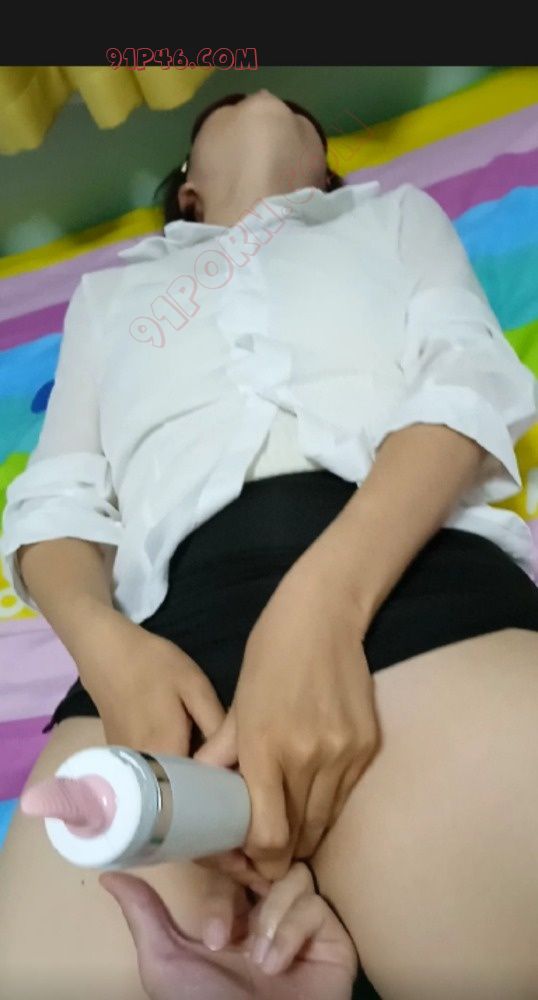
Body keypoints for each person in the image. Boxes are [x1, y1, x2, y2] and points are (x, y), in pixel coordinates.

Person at [1, 88, 538, 999]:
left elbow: (469, 378)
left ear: (326, 169)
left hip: (401, 568)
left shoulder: (393, 215)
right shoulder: (109, 292)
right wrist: (107, 650)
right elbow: (55, 503)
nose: (262, 93)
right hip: (158, 653)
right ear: (187, 192)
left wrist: (325, 603)